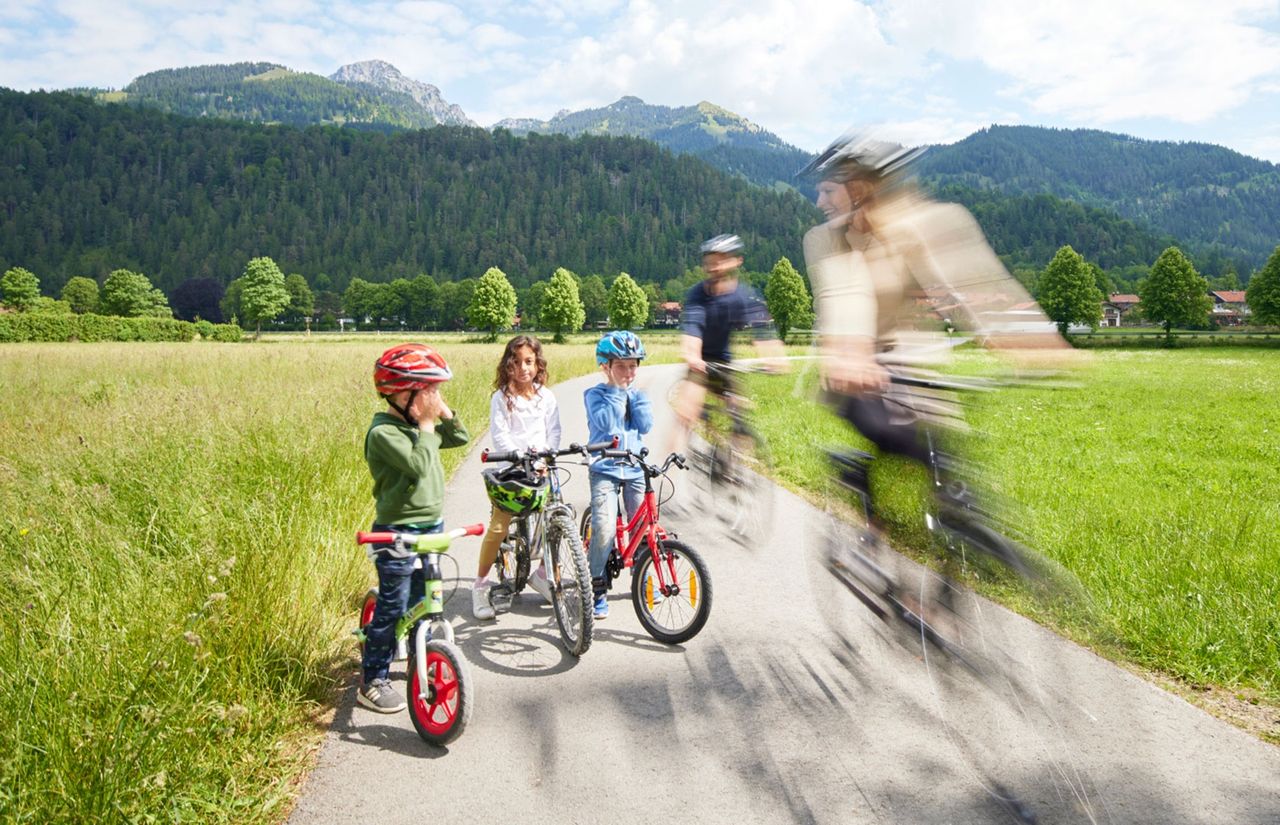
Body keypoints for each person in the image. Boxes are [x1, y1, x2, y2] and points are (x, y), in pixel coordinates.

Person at [798, 129, 1070, 477]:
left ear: (862, 187)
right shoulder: (825, 240)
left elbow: (976, 280)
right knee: (893, 435)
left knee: (951, 464)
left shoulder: (926, 223)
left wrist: (1029, 339)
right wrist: (852, 354)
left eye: (828, 190)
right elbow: (843, 295)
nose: (820, 202)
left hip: (909, 363)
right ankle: (859, 480)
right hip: (853, 369)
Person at [359, 343, 470, 713]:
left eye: (436, 391)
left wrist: (442, 413)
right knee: (393, 606)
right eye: (427, 391)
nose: (434, 399)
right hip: (396, 532)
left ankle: (420, 647)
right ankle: (373, 677)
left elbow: (458, 438)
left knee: (424, 597)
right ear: (400, 394)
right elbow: (421, 466)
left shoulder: (418, 427)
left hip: (430, 526)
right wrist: (425, 424)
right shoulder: (385, 434)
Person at [668, 234, 785, 457]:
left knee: (739, 410)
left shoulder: (742, 296)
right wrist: (692, 357)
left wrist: (774, 357)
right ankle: (668, 468)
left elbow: (762, 330)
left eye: (721, 260)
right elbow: (693, 328)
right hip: (699, 363)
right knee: (686, 411)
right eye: (710, 261)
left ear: (735, 261)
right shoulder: (698, 295)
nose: (714, 266)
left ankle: (733, 465)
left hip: (724, 362)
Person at [473, 334, 561, 620]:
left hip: (541, 466)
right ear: (508, 365)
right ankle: (481, 585)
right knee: (499, 526)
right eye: (517, 362)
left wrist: (547, 455)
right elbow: (500, 435)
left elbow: (554, 430)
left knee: (558, 519)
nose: (524, 368)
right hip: (512, 467)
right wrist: (517, 454)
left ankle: (543, 574)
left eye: (529, 362)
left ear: (538, 364)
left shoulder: (546, 396)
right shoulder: (501, 398)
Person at [584, 330, 653, 620]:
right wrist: (616, 391)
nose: (628, 371)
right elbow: (608, 424)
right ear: (606, 366)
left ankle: (641, 578)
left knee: (642, 529)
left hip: (634, 468)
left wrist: (635, 397)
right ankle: (596, 585)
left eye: (633, 365)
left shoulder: (637, 393)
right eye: (621, 366)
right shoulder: (595, 395)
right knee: (605, 530)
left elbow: (646, 425)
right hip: (605, 470)